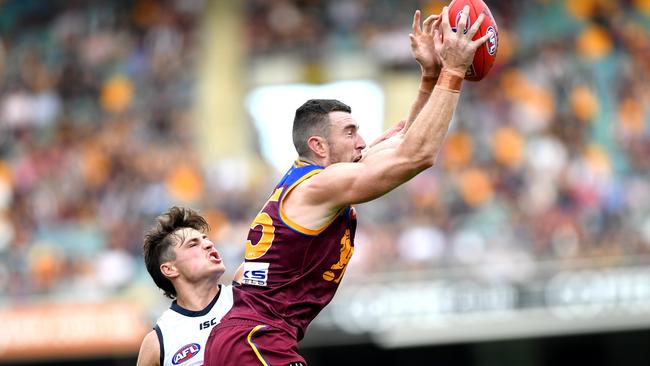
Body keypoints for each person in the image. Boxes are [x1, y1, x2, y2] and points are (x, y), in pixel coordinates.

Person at [204, 6, 493, 365]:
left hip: (252, 338)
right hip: (257, 340)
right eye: (350, 132)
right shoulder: (323, 185)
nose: (362, 141)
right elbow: (417, 155)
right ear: (318, 146)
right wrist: (453, 72)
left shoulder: (326, 180)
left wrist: (430, 75)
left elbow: (405, 140)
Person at [137, 206, 243, 366]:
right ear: (169, 269)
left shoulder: (247, 294)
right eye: (193, 244)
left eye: (206, 239)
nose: (209, 244)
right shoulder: (157, 343)